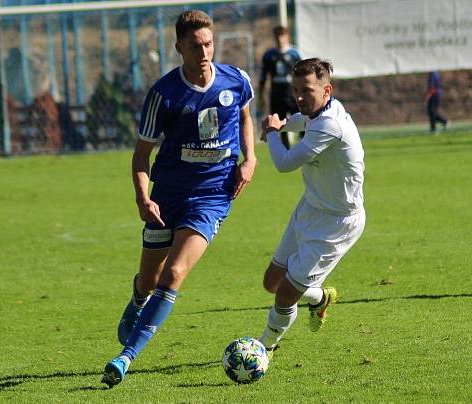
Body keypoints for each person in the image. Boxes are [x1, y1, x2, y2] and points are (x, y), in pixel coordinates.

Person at [101, 10, 256, 388]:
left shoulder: (237, 80)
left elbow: (246, 116)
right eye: (195, 46)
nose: (204, 52)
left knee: (174, 273)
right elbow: (141, 156)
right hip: (167, 195)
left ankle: (125, 358)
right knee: (150, 279)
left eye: (208, 43)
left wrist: (250, 159)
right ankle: (138, 297)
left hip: (213, 195)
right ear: (179, 48)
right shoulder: (164, 94)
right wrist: (142, 198)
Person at [258, 58, 365, 355]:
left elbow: (284, 163)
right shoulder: (322, 111)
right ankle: (319, 299)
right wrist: (282, 125)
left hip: (337, 222)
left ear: (326, 90)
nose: (300, 98)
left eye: (306, 90)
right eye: (295, 91)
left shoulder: (331, 125)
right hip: (311, 206)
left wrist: (270, 133)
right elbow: (301, 120)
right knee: (272, 281)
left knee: (285, 292)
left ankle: (263, 348)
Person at [258, 25, 302, 148]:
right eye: (277, 36)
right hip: (276, 94)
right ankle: (286, 149)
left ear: (287, 37)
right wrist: (261, 96)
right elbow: (263, 77)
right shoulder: (269, 55)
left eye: (282, 35)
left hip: (292, 93)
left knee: (302, 118)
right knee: (279, 123)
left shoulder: (295, 53)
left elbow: (303, 74)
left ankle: (304, 143)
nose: (280, 39)